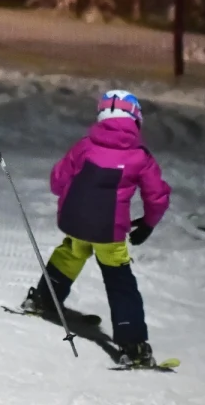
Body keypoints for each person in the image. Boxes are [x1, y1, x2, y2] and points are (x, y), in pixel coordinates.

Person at [21, 90, 171, 368]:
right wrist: (148, 224)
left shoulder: (85, 146)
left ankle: (44, 298)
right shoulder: (140, 157)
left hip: (75, 221)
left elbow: (57, 180)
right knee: (119, 280)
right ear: (136, 120)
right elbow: (157, 196)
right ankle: (132, 342)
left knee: (71, 253)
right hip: (108, 232)